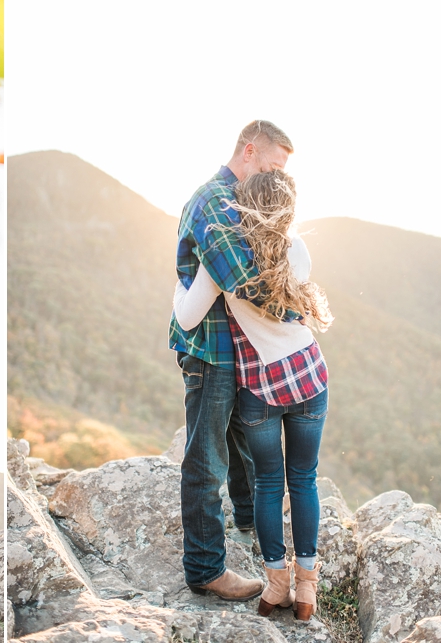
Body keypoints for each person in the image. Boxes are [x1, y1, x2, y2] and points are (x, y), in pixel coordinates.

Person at [173, 170, 332, 621]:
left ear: (243, 207)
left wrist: (177, 289)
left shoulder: (225, 262)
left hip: (263, 388)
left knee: (268, 483)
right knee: (304, 480)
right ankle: (306, 590)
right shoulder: (296, 249)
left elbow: (187, 319)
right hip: (309, 376)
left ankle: (275, 582)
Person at [168, 120, 294, 601]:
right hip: (210, 349)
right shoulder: (214, 202)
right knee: (206, 458)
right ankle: (204, 569)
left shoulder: (237, 201)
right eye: (273, 167)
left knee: (243, 441)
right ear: (248, 152)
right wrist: (293, 306)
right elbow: (243, 278)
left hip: (235, 347)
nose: (277, 179)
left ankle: (245, 522)